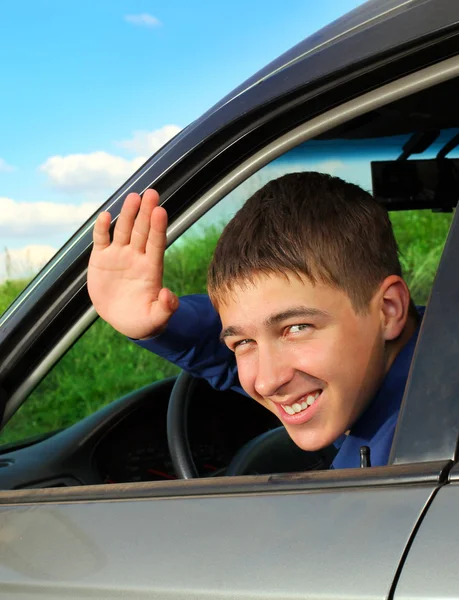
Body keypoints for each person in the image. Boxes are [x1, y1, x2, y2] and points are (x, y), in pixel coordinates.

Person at [88, 172, 421, 469]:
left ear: (389, 310)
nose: (266, 382)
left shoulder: (405, 463)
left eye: (296, 328)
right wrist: (159, 324)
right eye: (243, 343)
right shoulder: (425, 350)